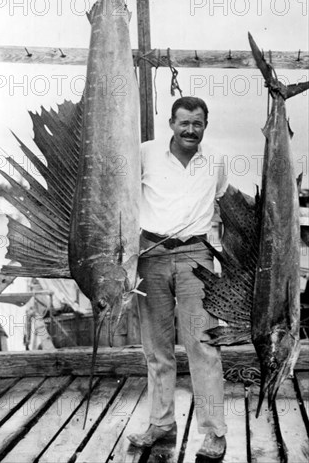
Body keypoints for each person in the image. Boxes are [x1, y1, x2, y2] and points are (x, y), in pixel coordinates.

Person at [127, 97, 228, 459]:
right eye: (184, 122)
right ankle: (161, 422)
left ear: (205, 125)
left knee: (203, 345)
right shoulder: (144, 153)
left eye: (197, 123)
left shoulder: (215, 160)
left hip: (196, 257)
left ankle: (215, 431)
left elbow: (219, 198)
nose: (190, 130)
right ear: (170, 123)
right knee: (157, 348)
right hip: (150, 255)